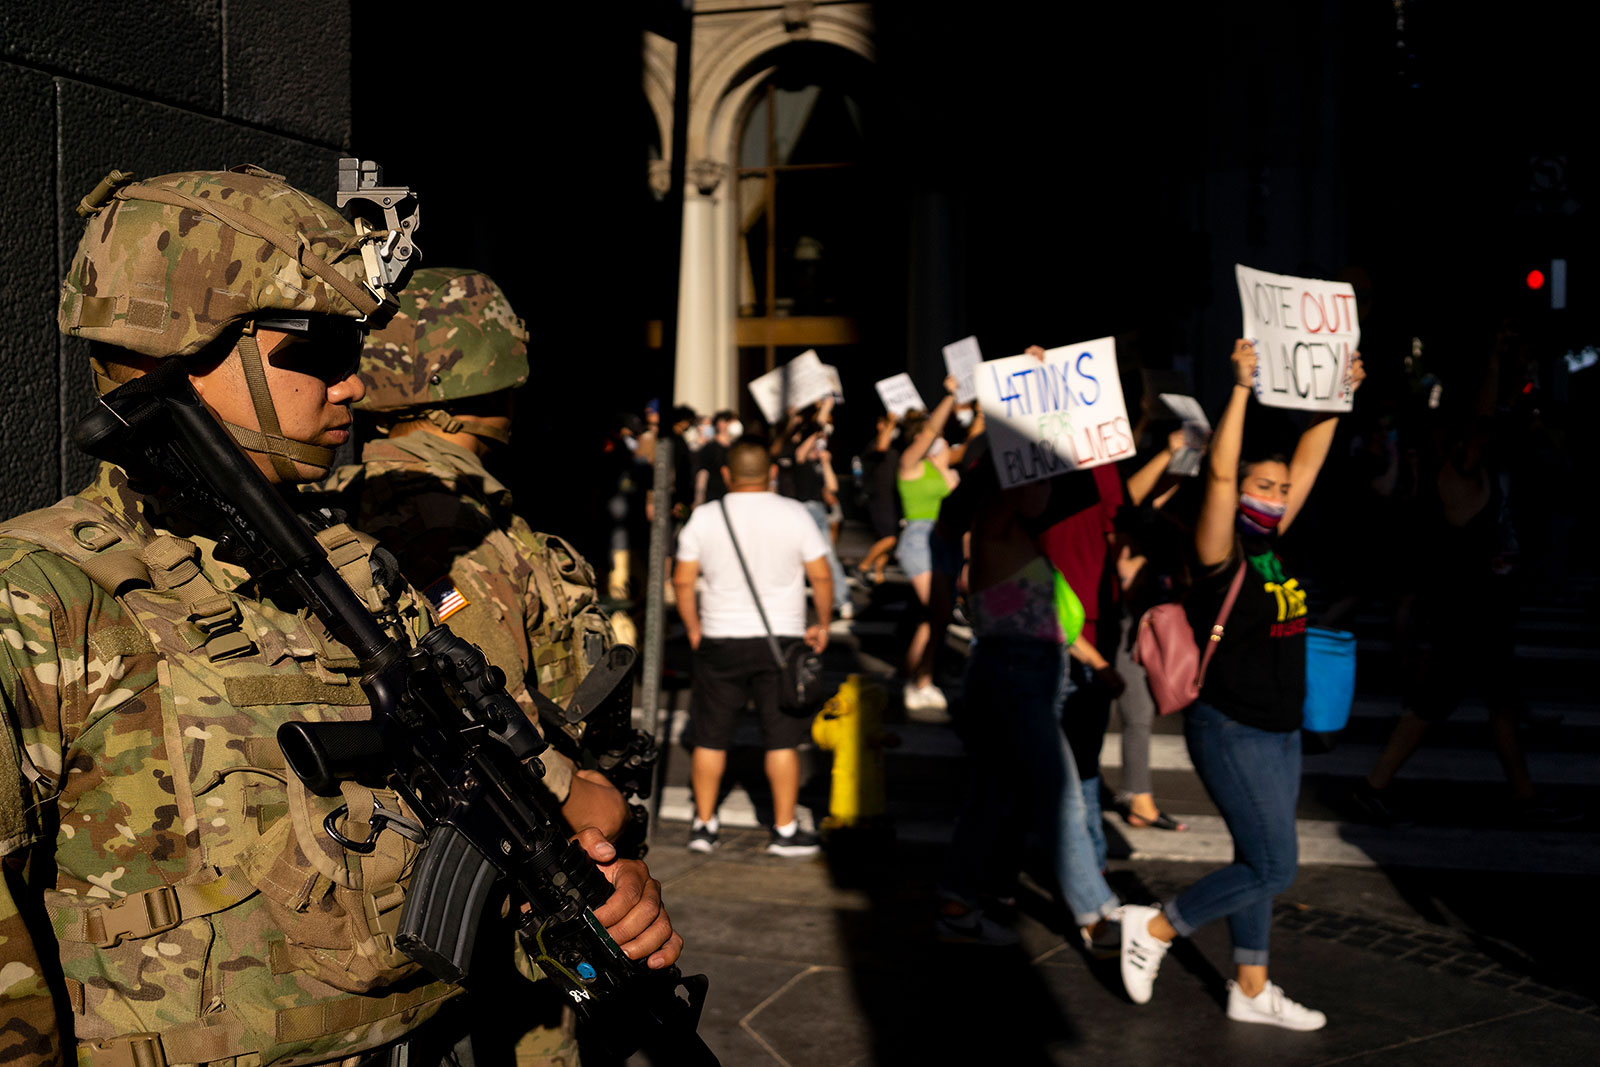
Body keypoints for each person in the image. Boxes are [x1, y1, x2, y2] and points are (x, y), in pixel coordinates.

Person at [0, 168, 679, 1067]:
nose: (355, 385)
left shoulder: (361, 574)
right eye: (318, 350)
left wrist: (584, 896)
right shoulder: (42, 594)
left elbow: (480, 829)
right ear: (184, 348)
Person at [315, 266, 631, 844]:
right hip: (524, 820)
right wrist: (572, 794)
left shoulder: (358, 495)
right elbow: (477, 697)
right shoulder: (442, 522)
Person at [1120, 338, 1364, 1030]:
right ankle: (1158, 926)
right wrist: (1238, 389)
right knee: (1274, 865)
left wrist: (1334, 396)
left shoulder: (1271, 544)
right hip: (1231, 727)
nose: (1276, 496)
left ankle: (1251, 988)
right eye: (1266, 486)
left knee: (1255, 857)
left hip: (1279, 728)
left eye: (1281, 490)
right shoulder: (1219, 551)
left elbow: (1310, 459)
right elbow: (1221, 476)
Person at [935, 446, 1125, 959]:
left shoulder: (1024, 540)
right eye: (1034, 482)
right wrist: (1031, 414)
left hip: (1023, 678)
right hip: (1013, 679)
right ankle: (1098, 914)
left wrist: (1099, 666)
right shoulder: (994, 527)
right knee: (1060, 792)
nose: (1045, 491)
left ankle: (957, 905)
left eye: (1047, 483)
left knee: (990, 799)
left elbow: (1056, 623)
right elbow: (1001, 475)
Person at [672, 440, 832, 857]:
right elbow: (821, 575)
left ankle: (704, 825)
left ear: (726, 475)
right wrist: (823, 623)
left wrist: (693, 627)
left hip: (720, 638)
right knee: (781, 739)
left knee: (709, 737)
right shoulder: (794, 513)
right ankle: (784, 830)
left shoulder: (705, 517)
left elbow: (683, 579)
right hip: (782, 641)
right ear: (771, 474)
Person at [896, 376, 961, 712]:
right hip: (919, 540)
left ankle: (918, 676)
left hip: (942, 539)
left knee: (936, 617)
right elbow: (930, 431)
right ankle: (916, 680)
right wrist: (949, 397)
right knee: (937, 612)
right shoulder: (908, 464)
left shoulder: (936, 468)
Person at [854, 412, 903, 584]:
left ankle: (878, 576)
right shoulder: (873, 447)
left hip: (891, 499)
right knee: (890, 539)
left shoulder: (895, 451)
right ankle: (863, 567)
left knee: (886, 541)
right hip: (878, 499)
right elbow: (882, 445)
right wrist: (891, 422)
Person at [693, 410, 742, 508]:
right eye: (729, 421)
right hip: (713, 495)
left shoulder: (736, 448)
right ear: (720, 423)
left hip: (732, 496)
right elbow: (702, 473)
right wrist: (698, 498)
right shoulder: (710, 447)